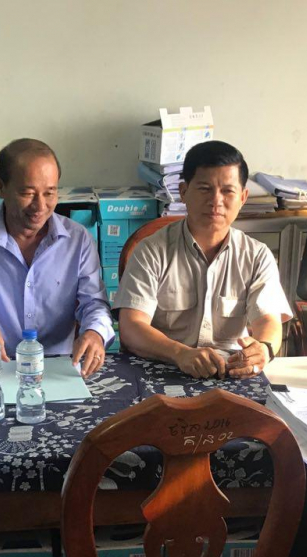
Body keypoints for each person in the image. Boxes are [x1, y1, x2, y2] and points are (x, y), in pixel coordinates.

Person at [115, 141, 292, 379]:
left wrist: (264, 349)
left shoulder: (257, 256)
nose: (216, 200)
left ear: (243, 197)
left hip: (232, 372)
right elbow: (131, 327)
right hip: (163, 370)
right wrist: (180, 353)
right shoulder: (151, 251)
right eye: (205, 189)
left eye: (227, 191)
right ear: (183, 192)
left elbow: (269, 320)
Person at [0, 138, 113, 377]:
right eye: (27, 193)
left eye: (50, 193)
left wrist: (95, 332)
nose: (40, 206)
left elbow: (94, 303)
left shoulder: (78, 239)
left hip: (59, 369)